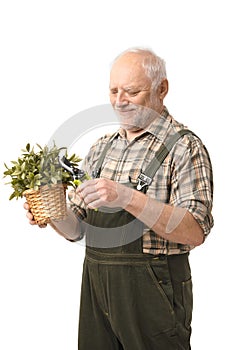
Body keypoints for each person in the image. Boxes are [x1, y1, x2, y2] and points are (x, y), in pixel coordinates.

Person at [24, 47, 214, 350]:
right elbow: (79, 230)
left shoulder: (184, 148)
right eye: (113, 91)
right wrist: (54, 211)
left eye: (132, 91)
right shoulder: (101, 148)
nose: (119, 101)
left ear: (161, 89)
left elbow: (194, 231)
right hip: (98, 290)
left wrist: (127, 196)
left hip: (154, 294)